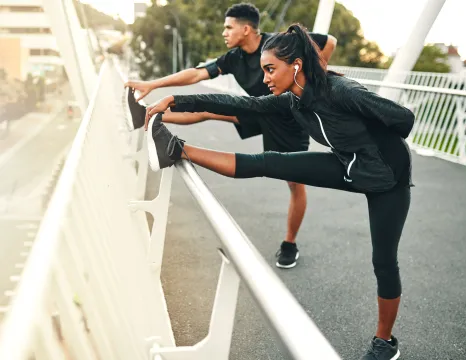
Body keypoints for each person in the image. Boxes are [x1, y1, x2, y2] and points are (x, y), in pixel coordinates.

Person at [143, 23, 414, 360]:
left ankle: (385, 343)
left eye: (270, 69)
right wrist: (176, 101)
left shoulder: (340, 91)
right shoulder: (293, 102)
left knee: (383, 262)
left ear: (296, 65)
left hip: (387, 180)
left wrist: (372, 144)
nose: (266, 78)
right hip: (345, 166)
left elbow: (404, 118)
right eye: (263, 70)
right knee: (269, 162)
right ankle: (178, 150)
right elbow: (241, 105)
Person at [125, 2, 337, 269]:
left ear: (246, 29)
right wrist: (153, 84)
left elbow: (329, 40)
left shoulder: (280, 43)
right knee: (209, 111)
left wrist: (316, 75)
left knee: (294, 183)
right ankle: (145, 116)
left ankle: (290, 243)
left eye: (228, 27)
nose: (224, 33)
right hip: (259, 109)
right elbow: (196, 74)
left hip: (288, 118)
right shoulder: (233, 58)